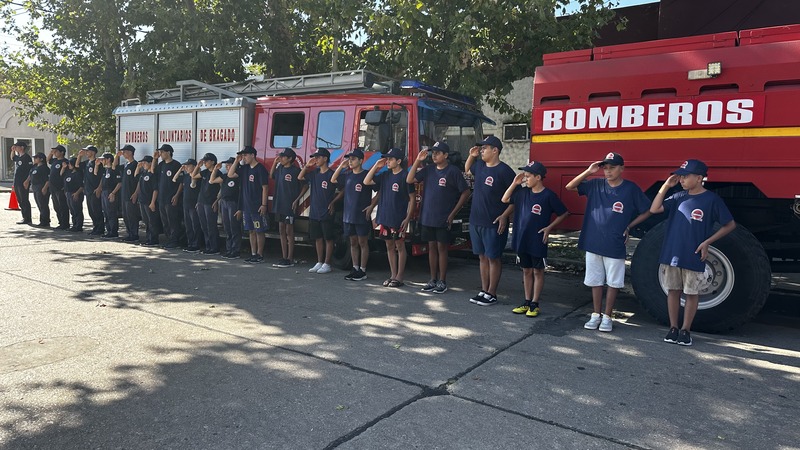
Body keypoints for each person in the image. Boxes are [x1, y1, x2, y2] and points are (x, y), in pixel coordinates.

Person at [649, 159, 736, 346]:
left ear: (699, 178)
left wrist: (707, 242)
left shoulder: (712, 200)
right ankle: (673, 328)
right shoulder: (678, 196)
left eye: (686, 176)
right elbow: (654, 209)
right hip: (672, 254)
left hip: (693, 255)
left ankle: (685, 330)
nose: (681, 179)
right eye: (680, 176)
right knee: (673, 290)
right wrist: (665, 186)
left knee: (691, 293)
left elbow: (730, 224)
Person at [565, 152, 651, 332]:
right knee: (595, 280)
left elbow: (647, 210)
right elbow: (569, 186)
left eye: (612, 167)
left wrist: (629, 226)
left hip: (614, 242)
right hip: (593, 240)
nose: (608, 171)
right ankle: (595, 314)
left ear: (622, 168)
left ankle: (608, 316)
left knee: (613, 282)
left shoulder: (630, 189)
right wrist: (589, 171)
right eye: (605, 168)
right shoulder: (595, 184)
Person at [502, 161, 569, 317]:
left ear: (538, 177)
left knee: (538, 271)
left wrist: (549, 227)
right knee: (526, 270)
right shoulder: (522, 193)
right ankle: (526, 301)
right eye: (524, 175)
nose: (525, 179)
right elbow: (505, 199)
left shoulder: (548, 195)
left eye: (528, 176)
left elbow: (564, 213)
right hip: (521, 238)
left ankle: (535, 303)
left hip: (537, 239)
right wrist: (514, 183)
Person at [406, 141, 470, 294]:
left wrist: (453, 213)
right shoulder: (428, 170)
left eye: (438, 152)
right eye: (432, 152)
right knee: (431, 248)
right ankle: (432, 279)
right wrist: (417, 161)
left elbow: (465, 192)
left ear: (446, 155)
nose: (434, 155)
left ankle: (442, 281)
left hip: (443, 217)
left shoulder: (453, 171)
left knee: (442, 248)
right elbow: (409, 180)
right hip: (427, 216)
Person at [465, 135, 516, 306]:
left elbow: (517, 198)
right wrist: (471, 156)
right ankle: (484, 290)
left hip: (494, 223)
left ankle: (492, 293)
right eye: (481, 148)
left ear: (495, 150)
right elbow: (467, 169)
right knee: (482, 257)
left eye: (485, 148)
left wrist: (504, 215)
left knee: (493, 257)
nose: (481, 150)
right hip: (476, 220)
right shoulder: (479, 166)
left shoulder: (505, 171)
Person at [364, 147, 414, 287]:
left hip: (398, 217)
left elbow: (412, 199)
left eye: (391, 159)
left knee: (400, 245)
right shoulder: (385, 175)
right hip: (385, 216)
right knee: (389, 245)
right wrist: (376, 166)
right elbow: (367, 181)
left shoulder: (405, 176)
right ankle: (392, 275)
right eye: (387, 159)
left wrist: (408, 217)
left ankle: (400, 276)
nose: (388, 161)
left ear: (398, 161)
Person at [331, 147, 374, 281]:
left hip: (361, 215)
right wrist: (341, 166)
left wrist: (372, 206)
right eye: (349, 159)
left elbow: (380, 190)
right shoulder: (348, 175)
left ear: (361, 161)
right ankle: (355, 268)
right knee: (353, 242)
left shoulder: (366, 175)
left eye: (353, 159)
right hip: (348, 215)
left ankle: (363, 270)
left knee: (363, 242)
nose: (350, 161)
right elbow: (333, 179)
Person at [298, 147, 338, 274]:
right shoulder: (314, 173)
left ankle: (327, 263)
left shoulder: (331, 174)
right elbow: (300, 177)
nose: (315, 160)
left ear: (325, 159)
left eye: (318, 157)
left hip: (326, 211)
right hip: (314, 211)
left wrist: (333, 202)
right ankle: (319, 262)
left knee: (328, 238)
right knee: (318, 238)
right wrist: (306, 166)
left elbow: (342, 190)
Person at [227, 146, 269, 263]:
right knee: (251, 230)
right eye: (243, 155)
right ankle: (253, 253)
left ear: (252, 155)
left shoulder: (260, 169)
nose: (244, 158)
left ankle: (260, 254)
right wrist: (236, 160)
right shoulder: (244, 169)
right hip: (246, 206)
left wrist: (264, 204)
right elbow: (230, 174)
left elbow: (265, 187)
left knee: (259, 230)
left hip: (257, 206)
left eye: (245, 155)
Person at [271, 148, 305, 267]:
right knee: (281, 230)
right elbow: (271, 176)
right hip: (279, 204)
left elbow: (305, 186)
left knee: (289, 231)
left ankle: (290, 258)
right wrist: (275, 163)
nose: (281, 158)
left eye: (284, 157)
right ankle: (284, 257)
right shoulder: (280, 168)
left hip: (288, 205)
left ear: (290, 159)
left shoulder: (295, 171)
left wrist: (297, 200)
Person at [210, 157, 242, 259]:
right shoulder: (224, 176)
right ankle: (229, 249)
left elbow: (231, 174)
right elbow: (212, 180)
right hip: (224, 203)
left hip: (233, 203)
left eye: (229, 165)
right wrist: (215, 169)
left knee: (234, 227)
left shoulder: (237, 176)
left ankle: (235, 250)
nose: (227, 167)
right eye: (226, 165)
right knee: (227, 227)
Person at [153, 144, 183, 248]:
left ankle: (175, 240)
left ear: (168, 152)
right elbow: (153, 171)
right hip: (162, 198)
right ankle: (169, 239)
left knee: (173, 220)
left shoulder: (176, 165)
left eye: (162, 152)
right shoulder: (161, 164)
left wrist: (177, 195)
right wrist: (155, 159)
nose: (160, 154)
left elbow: (180, 182)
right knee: (165, 221)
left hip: (171, 198)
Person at [193, 153, 221, 255]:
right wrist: (198, 166)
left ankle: (215, 247)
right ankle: (208, 246)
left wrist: (217, 202)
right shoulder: (204, 172)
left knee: (211, 226)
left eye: (206, 161)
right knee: (204, 226)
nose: (204, 163)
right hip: (201, 202)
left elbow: (222, 189)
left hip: (210, 203)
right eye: (203, 161)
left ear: (212, 161)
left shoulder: (218, 174)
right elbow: (193, 175)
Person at [175, 158, 202, 253]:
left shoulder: (197, 177)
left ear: (194, 167)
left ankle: (196, 244)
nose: (186, 167)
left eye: (188, 166)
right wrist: (180, 169)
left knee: (195, 225)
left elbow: (193, 185)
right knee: (188, 225)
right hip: (185, 204)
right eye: (185, 165)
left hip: (193, 205)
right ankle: (190, 243)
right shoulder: (185, 177)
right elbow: (174, 179)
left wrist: (197, 168)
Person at [77, 145, 105, 236]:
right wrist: (79, 156)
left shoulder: (98, 163)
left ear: (93, 152)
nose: (86, 153)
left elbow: (102, 176)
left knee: (96, 210)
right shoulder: (86, 163)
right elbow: (77, 165)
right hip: (88, 190)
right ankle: (95, 227)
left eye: (88, 151)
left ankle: (100, 228)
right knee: (91, 210)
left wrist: (99, 187)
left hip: (95, 189)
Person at [115, 144, 141, 242]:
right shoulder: (126, 165)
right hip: (124, 195)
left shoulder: (135, 165)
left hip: (131, 194)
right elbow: (114, 167)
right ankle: (129, 233)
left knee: (132, 216)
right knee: (126, 216)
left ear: (130, 152)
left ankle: (134, 234)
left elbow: (139, 180)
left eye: (125, 151)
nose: (124, 154)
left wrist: (135, 193)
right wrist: (117, 156)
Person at [136, 155, 161, 246]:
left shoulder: (152, 175)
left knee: (152, 221)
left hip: (149, 201)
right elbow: (136, 176)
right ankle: (148, 238)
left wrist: (153, 202)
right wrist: (139, 167)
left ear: (150, 163)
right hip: (142, 201)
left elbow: (155, 189)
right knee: (146, 221)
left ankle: (154, 239)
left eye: (145, 162)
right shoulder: (143, 173)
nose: (143, 164)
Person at [97, 152, 122, 238]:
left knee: (111, 212)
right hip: (104, 192)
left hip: (110, 191)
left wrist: (113, 193)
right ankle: (109, 230)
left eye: (103, 159)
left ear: (108, 159)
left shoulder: (114, 170)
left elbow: (119, 183)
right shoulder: (105, 170)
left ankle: (113, 231)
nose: (102, 161)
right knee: (106, 212)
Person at [47, 145, 70, 230]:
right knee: (56, 206)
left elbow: (65, 174)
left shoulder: (65, 162)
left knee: (62, 206)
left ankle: (65, 223)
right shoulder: (55, 161)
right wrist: (51, 153)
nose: (55, 153)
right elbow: (48, 160)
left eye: (57, 151)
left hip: (60, 187)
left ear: (62, 152)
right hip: (53, 187)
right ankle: (60, 222)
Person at [10, 140, 33, 225]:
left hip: (23, 182)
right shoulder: (19, 156)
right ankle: (24, 217)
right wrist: (12, 151)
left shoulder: (27, 157)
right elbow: (13, 158)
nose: (16, 148)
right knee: (20, 200)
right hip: (17, 181)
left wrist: (27, 181)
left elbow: (30, 170)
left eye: (17, 146)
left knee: (24, 199)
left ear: (22, 147)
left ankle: (28, 218)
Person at [25, 152, 50, 227]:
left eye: (36, 158)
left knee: (43, 204)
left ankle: (45, 221)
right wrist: (27, 181)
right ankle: (43, 219)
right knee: (39, 204)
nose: (34, 159)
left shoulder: (45, 168)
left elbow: (48, 179)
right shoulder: (34, 167)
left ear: (41, 159)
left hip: (41, 186)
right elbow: (30, 175)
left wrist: (45, 188)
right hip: (35, 187)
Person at [62, 156, 85, 232]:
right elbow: (61, 175)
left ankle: (78, 225)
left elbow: (82, 185)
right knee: (72, 210)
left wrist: (77, 193)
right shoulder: (69, 172)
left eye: (70, 164)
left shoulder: (78, 174)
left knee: (77, 210)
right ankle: (74, 224)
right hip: (68, 193)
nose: (69, 165)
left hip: (75, 193)